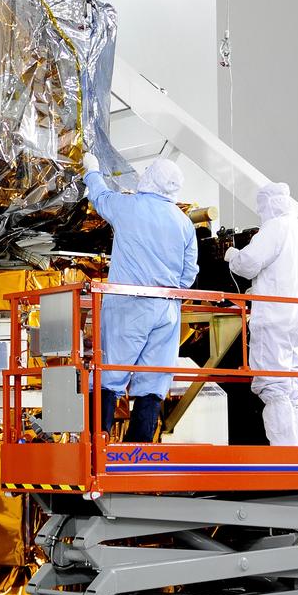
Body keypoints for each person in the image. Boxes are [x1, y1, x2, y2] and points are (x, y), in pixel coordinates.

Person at [83, 153, 198, 442]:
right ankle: (139, 451)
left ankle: (98, 449)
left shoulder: (131, 207)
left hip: (128, 304)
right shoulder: (184, 223)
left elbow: (101, 198)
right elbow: (189, 273)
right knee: (154, 381)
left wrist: (91, 170)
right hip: (168, 309)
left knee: (109, 374)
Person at [224, 181, 298, 446]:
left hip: (273, 318)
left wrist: (231, 254)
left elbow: (248, 264)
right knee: (292, 385)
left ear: (267, 205)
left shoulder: (275, 228)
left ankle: (287, 456)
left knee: (272, 385)